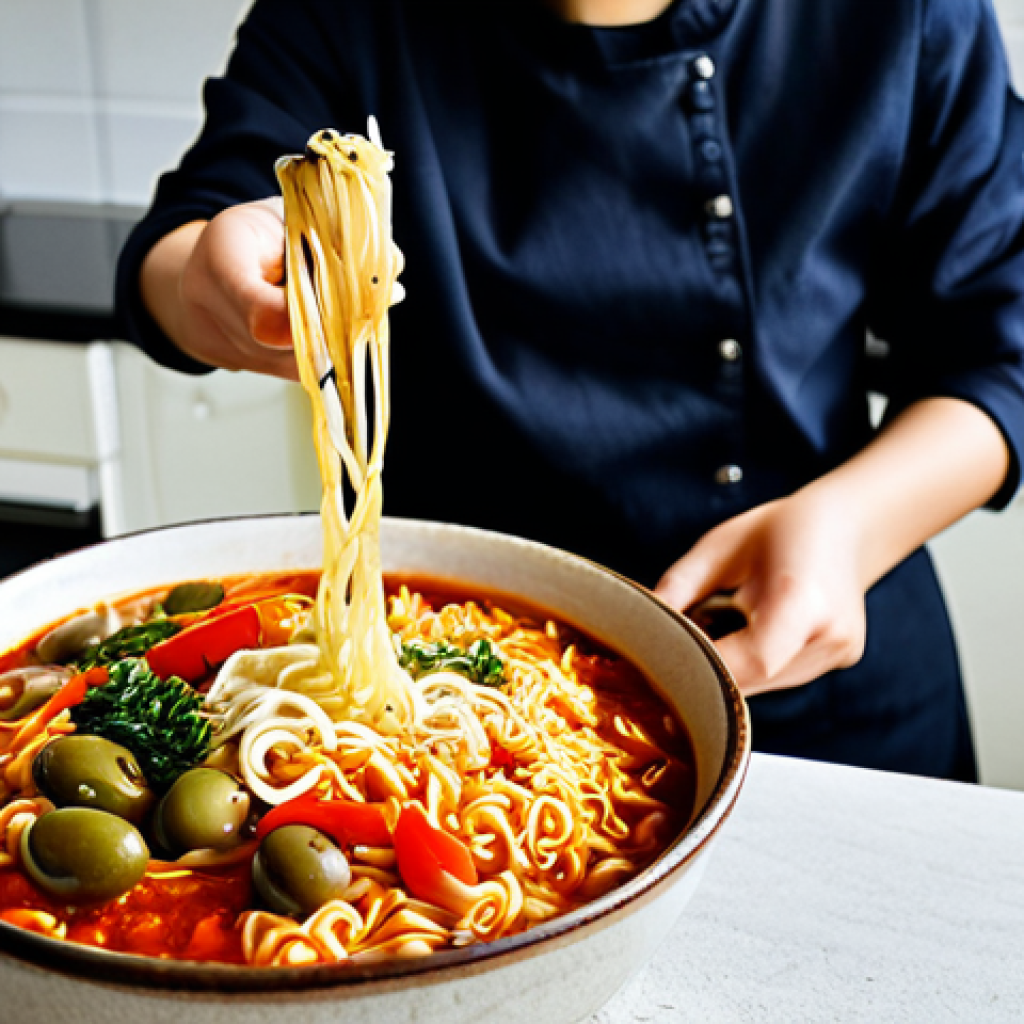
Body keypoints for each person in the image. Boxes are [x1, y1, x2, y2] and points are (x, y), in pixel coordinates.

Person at [116, 0, 1024, 781]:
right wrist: (209, 282)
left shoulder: (902, 15)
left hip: (822, 665)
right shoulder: (349, 14)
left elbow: (1001, 345)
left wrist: (852, 527)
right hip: (452, 694)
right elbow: (186, 238)